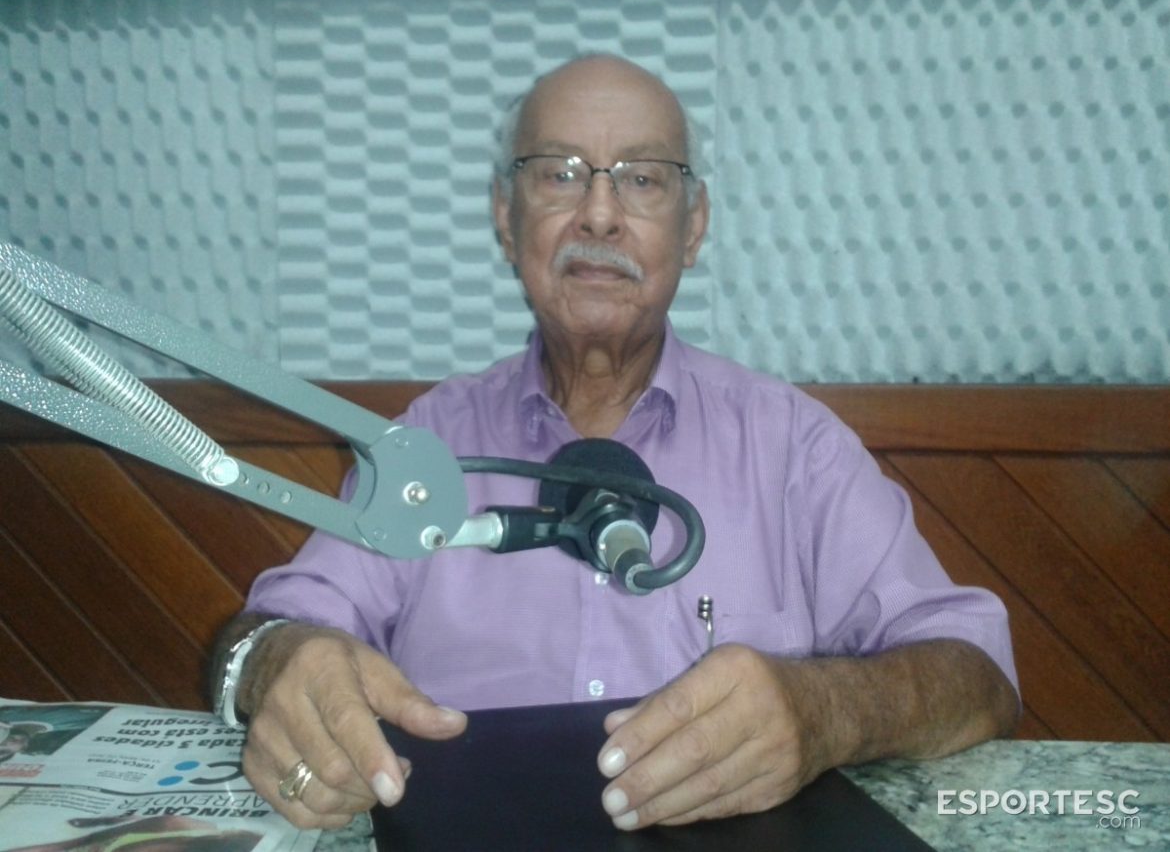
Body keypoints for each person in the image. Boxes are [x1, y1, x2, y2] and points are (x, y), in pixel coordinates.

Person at [209, 53, 1020, 832]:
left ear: (693, 227)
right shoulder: (426, 444)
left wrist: (822, 710)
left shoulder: (793, 447)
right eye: (559, 173)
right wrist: (277, 665)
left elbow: (976, 676)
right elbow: (264, 632)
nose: (599, 214)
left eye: (642, 178)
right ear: (506, 218)